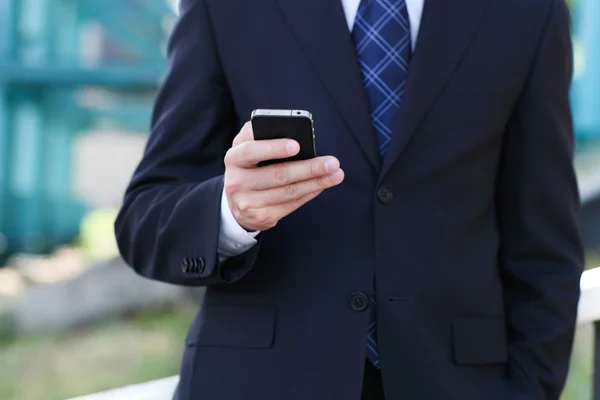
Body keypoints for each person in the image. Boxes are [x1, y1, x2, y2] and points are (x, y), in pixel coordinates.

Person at [114, 0, 584, 398]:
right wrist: (230, 212)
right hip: (258, 381)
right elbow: (143, 219)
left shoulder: (528, 11)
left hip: (456, 381)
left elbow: (545, 246)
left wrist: (530, 386)